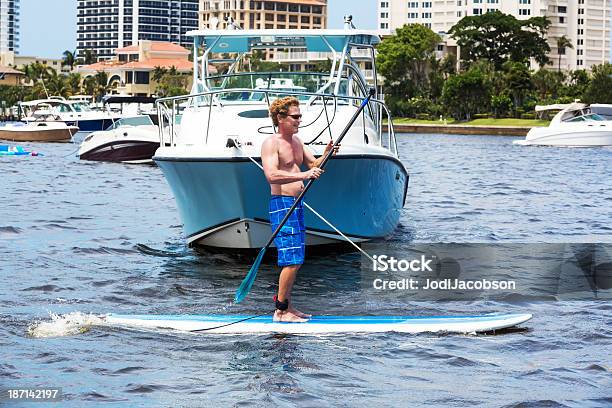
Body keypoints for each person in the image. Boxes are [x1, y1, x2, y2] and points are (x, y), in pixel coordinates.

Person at [261, 96, 337, 322]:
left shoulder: (298, 142)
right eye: (295, 117)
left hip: (297, 204)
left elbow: (314, 165)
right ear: (280, 118)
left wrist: (327, 154)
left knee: (297, 258)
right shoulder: (271, 143)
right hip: (282, 205)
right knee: (290, 259)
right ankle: (281, 311)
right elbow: (271, 175)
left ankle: (287, 306)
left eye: (300, 116)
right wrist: (304, 175)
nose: (299, 121)